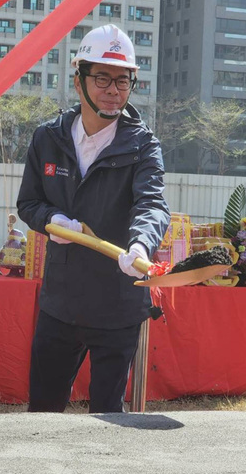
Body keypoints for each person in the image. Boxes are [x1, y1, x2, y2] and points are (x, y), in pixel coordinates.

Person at [16, 24, 170, 413]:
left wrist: (139, 244)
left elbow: (152, 205)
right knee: (44, 411)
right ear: (79, 79)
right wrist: (52, 220)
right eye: (102, 78)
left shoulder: (143, 145)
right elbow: (28, 203)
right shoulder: (48, 138)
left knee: (107, 416)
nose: (113, 90)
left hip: (117, 303)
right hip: (61, 302)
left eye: (123, 80)